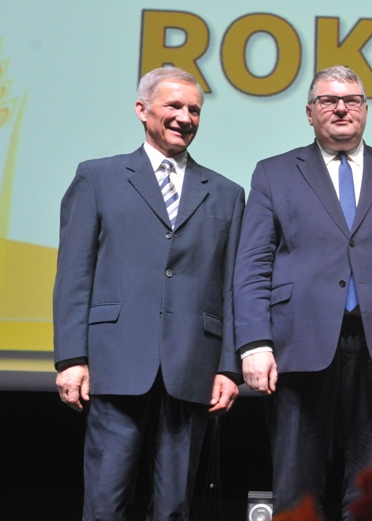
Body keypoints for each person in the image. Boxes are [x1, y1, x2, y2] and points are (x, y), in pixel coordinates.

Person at [233, 65, 372, 520]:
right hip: (296, 347)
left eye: (351, 100)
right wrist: (254, 343)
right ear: (309, 112)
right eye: (328, 100)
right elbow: (252, 266)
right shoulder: (273, 173)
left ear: (365, 110)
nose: (341, 108)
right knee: (297, 490)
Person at [53, 66, 244, 520]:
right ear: (142, 110)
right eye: (174, 106)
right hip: (114, 361)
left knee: (174, 506)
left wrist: (228, 367)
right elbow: (75, 273)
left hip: (193, 365)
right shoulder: (97, 177)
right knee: (105, 502)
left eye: (194, 110)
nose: (185, 117)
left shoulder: (227, 193)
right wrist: (71, 358)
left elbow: (232, 287)